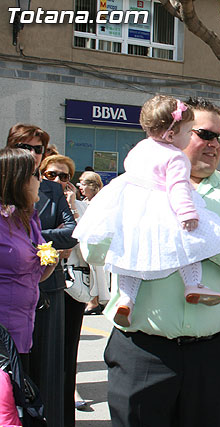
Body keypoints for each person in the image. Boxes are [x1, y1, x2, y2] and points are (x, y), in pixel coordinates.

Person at [97, 96, 220, 427]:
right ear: (172, 133)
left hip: (213, 356)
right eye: (205, 134)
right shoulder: (133, 187)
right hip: (142, 352)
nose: (215, 145)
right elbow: (94, 250)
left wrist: (204, 242)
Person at [73, 95, 220, 327]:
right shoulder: (176, 157)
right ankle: (193, 284)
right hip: (163, 209)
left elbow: (130, 170)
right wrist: (187, 212)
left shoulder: (140, 148)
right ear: (171, 135)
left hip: (132, 210)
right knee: (188, 246)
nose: (190, 135)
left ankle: (127, 300)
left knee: (130, 258)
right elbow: (178, 187)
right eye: (189, 131)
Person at [6, 123, 77, 427]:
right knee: (11, 379)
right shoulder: (5, 191)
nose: (33, 155)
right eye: (26, 147)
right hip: (9, 305)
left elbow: (73, 232)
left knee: (49, 369)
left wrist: (37, 245)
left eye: (39, 149)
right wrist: (35, 244)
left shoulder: (46, 195)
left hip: (45, 287)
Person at [40, 154, 94, 425]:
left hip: (74, 286)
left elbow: (88, 244)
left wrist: (73, 207)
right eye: (52, 175)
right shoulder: (37, 200)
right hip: (45, 283)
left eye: (64, 176)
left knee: (67, 355)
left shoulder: (82, 208)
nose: (59, 181)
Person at [0, 148, 56, 359]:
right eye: (35, 174)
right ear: (17, 179)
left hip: (23, 332)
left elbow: (35, 272)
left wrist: (50, 261)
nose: (41, 180)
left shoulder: (29, 218)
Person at [75, 171, 110, 315]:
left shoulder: (101, 201)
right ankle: (93, 300)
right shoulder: (84, 203)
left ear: (92, 186)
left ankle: (95, 301)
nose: (80, 188)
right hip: (86, 243)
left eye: (82, 184)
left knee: (97, 272)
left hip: (97, 243)